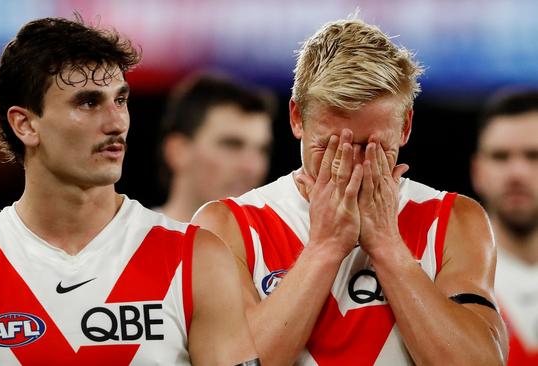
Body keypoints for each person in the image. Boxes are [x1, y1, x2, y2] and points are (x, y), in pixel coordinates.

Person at [0, 16, 259, 365]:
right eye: (88, 103)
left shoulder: (197, 260)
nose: (116, 122)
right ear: (25, 124)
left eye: (120, 100)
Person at [193, 18, 508, 365]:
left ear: (405, 127)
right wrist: (325, 247)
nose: (353, 166)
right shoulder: (227, 226)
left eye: (373, 148)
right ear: (297, 118)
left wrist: (388, 247)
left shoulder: (453, 221)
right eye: (332, 147)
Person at [471, 89, 538, 365]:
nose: (516, 173)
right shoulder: (440, 280)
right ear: (477, 171)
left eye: (534, 156)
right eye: (500, 157)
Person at [157, 72, 275, 222]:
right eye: (231, 145)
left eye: (263, 150)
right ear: (177, 151)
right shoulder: (128, 242)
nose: (252, 167)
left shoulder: (290, 244)